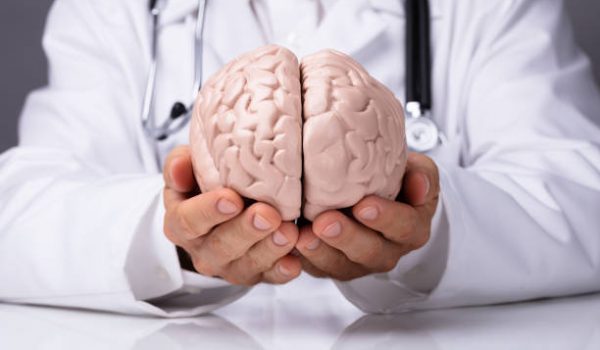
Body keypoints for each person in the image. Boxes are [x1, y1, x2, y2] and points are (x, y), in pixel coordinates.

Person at [0, 0, 599, 317]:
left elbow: (585, 195)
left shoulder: (489, 7)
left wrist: (432, 227)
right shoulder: (117, 9)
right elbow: (16, 213)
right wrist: (173, 236)